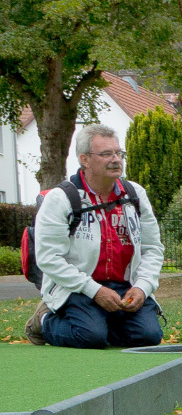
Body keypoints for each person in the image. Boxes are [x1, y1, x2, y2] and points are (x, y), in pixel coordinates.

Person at [25, 124, 164, 349]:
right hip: (76, 286)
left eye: (119, 153)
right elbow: (48, 258)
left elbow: (152, 248)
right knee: (90, 336)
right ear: (85, 159)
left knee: (149, 336)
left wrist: (143, 286)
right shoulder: (61, 199)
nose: (116, 159)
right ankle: (43, 322)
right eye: (106, 154)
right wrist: (95, 290)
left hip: (125, 285)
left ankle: (102, 324)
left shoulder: (135, 195)